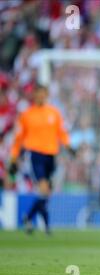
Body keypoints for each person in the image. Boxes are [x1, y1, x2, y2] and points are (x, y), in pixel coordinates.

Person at [8, 84, 74, 235]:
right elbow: (18, 139)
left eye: (43, 94)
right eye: (38, 94)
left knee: (46, 193)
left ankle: (31, 219)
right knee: (44, 188)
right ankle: (42, 223)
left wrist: (69, 146)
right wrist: (13, 158)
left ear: (47, 95)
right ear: (34, 95)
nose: (41, 97)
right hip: (35, 155)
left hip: (51, 155)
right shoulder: (27, 115)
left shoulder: (54, 113)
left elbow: (61, 133)